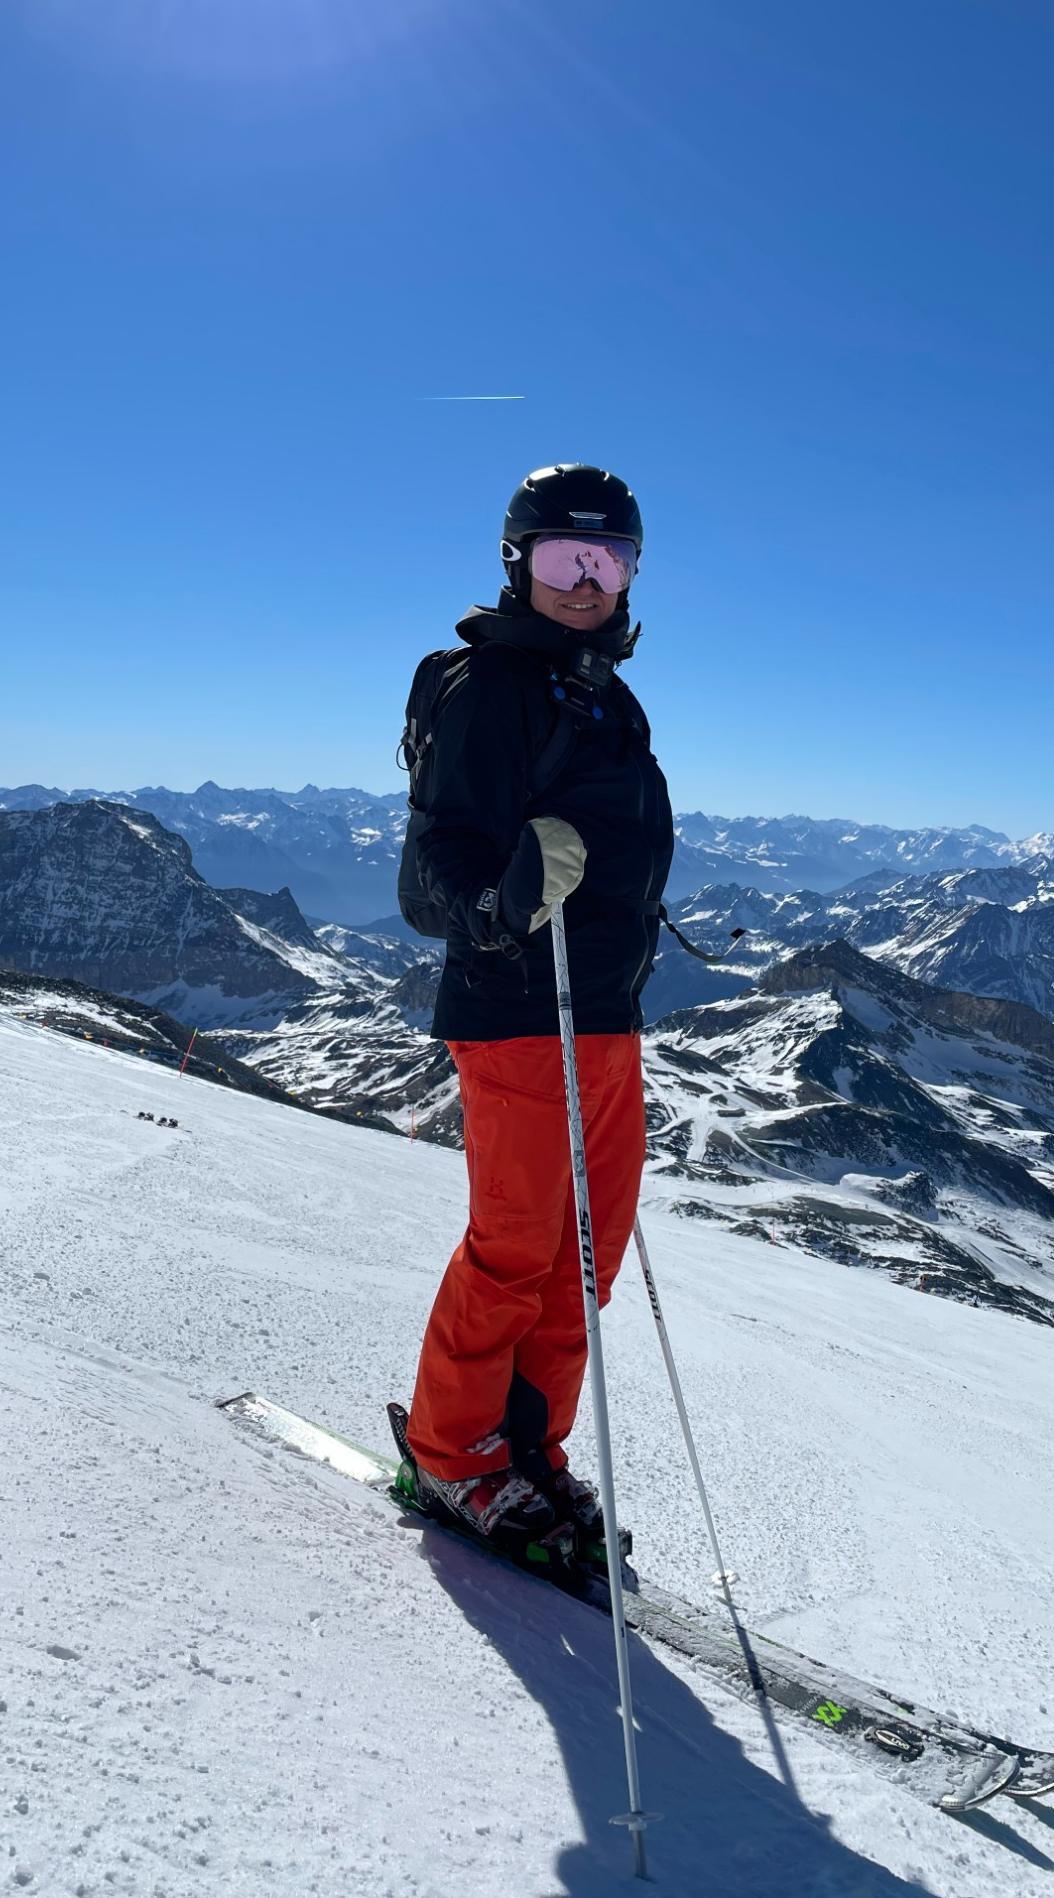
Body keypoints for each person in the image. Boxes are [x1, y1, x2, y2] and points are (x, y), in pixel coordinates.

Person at [400, 463, 674, 1552]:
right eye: (565, 556)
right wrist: (503, 898)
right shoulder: (490, 688)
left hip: (603, 1009)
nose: (587, 580)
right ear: (519, 563)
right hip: (518, 1008)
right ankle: (453, 1452)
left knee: (583, 1259)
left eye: (610, 559)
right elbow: (434, 874)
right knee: (516, 1247)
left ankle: (528, 1447)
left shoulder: (605, 696)